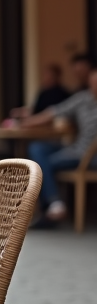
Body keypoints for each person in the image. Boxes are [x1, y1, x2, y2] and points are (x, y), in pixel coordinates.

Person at [22, 68, 97, 228]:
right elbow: (55, 111)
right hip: (76, 149)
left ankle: (51, 209)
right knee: (38, 149)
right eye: (92, 84)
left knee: (43, 164)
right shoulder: (83, 98)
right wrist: (27, 122)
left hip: (90, 156)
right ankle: (54, 205)